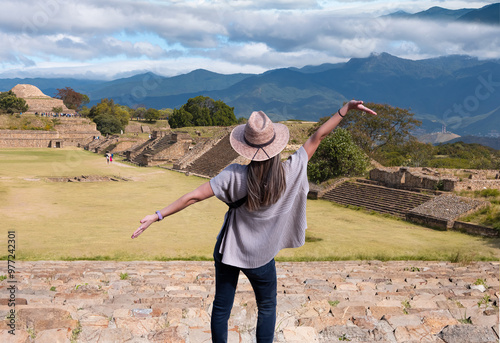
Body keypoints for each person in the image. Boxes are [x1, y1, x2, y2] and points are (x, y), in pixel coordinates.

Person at [131, 100, 377, 343]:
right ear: (276, 146)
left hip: (229, 251)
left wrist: (158, 215)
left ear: (246, 146)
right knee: (267, 306)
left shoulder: (233, 176)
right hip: (262, 256)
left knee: (221, 307)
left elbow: (193, 197)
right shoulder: (290, 172)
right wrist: (345, 110)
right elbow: (317, 137)